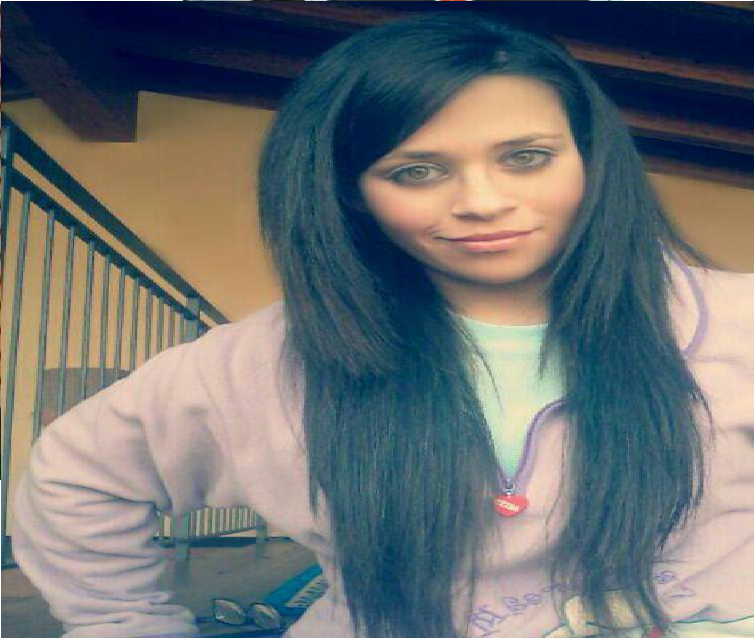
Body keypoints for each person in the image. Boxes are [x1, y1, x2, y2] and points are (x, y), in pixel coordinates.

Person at [11, 10, 754, 638]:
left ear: (590, 159)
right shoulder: (261, 363)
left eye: (527, 158)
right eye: (416, 171)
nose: (483, 202)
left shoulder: (735, 321)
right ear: (351, 192)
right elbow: (78, 477)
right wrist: (124, 625)